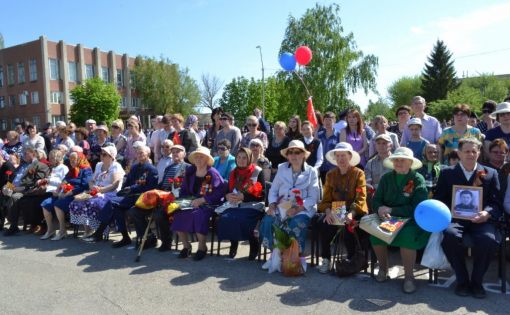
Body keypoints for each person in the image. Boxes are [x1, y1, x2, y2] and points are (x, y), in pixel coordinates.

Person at [435, 137, 501, 298]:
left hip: (481, 220)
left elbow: (496, 202)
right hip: (455, 219)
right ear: (458, 153)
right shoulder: (447, 173)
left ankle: (477, 282)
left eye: (474, 151)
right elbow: (440, 200)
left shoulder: (490, 173)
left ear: (479, 153)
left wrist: (487, 213)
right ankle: (462, 280)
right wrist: (449, 213)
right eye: (466, 151)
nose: (470, 154)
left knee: (489, 239)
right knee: (449, 237)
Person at [371, 147, 429, 294]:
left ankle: (409, 278)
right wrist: (380, 209)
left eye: (402, 160)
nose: (398, 162)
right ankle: (383, 269)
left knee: (407, 235)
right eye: (396, 159)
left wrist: (392, 210)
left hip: (410, 220)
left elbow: (416, 208)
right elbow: (376, 200)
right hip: (387, 218)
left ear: (410, 162)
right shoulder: (386, 178)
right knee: (375, 233)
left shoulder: (417, 179)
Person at [259, 140, 320, 257]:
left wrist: (297, 209)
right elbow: (273, 190)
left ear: (303, 155)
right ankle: (276, 253)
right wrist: (272, 204)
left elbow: (313, 197)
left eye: (297, 152)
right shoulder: (282, 168)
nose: (293, 155)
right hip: (281, 206)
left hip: (302, 209)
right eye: (290, 152)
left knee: (295, 223)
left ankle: (292, 255)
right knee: (268, 220)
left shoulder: (311, 172)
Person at [91, 145, 159, 248]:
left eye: (142, 153)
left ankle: (100, 230)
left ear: (148, 154)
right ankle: (125, 237)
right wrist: (124, 187)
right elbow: (127, 179)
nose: (139, 155)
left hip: (143, 197)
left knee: (112, 202)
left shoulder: (151, 169)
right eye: (138, 153)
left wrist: (132, 188)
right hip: (131, 195)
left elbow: (150, 187)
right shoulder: (135, 167)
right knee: (116, 207)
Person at [316, 142, 368, 273]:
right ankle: (326, 259)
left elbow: (361, 197)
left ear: (350, 156)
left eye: (343, 155)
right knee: (324, 223)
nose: (340, 159)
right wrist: (328, 212)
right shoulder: (330, 174)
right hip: (337, 208)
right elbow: (326, 198)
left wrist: (351, 213)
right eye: (338, 156)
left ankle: (352, 260)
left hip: (355, 210)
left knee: (349, 226)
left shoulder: (358, 173)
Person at [128, 144, 190, 252]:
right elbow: (161, 184)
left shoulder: (188, 168)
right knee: (134, 210)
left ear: (184, 154)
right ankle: (149, 238)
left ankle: (167, 241)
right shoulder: (169, 168)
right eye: (173, 152)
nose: (175, 153)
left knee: (159, 214)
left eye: (178, 151)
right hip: (162, 197)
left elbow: (188, 187)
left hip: (175, 199)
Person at [171, 147, 226, 261]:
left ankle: (202, 247)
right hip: (191, 200)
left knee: (198, 214)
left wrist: (203, 200)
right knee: (177, 212)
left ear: (207, 159)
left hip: (209, 202)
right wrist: (182, 201)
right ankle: (186, 246)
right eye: (197, 157)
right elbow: (184, 189)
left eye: (201, 157)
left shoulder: (212, 173)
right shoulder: (191, 171)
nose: (198, 159)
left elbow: (220, 192)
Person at [217, 147, 265, 260]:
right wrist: (227, 195)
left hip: (252, 205)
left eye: (244, 158)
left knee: (243, 218)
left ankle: (254, 245)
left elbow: (263, 195)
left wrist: (244, 197)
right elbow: (228, 190)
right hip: (234, 204)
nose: (241, 160)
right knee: (226, 217)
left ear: (249, 158)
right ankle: (234, 243)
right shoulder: (233, 172)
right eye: (239, 157)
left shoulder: (257, 171)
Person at [70, 146, 125, 238]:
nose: (101, 156)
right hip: (96, 191)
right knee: (76, 201)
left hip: (110, 193)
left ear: (111, 156)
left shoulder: (116, 166)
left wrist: (100, 190)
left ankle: (99, 231)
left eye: (104, 154)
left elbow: (114, 185)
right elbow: (92, 180)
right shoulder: (99, 165)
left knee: (92, 203)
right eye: (101, 153)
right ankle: (88, 230)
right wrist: (92, 188)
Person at [40, 151, 92, 240]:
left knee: (58, 205)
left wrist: (71, 192)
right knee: (45, 204)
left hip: (77, 194)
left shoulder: (86, 170)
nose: (71, 161)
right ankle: (51, 230)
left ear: (79, 159)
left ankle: (62, 231)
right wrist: (58, 190)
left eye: (74, 159)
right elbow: (64, 181)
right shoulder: (72, 170)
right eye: (70, 159)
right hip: (65, 193)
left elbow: (85, 186)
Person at [3, 147, 51, 236]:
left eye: (26, 153)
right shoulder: (22, 165)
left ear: (32, 154)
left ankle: (13, 226)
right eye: (23, 153)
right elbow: (14, 177)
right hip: (13, 187)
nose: (23, 155)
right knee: (4, 193)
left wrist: (14, 188)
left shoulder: (40, 165)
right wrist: (8, 185)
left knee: (14, 197)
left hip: (25, 189)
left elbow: (36, 181)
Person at [318, 112, 340, 183]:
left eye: (330, 120)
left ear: (334, 121)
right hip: (321, 167)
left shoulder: (339, 135)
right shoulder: (319, 135)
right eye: (325, 120)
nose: (327, 122)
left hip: (333, 167)